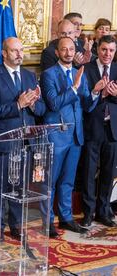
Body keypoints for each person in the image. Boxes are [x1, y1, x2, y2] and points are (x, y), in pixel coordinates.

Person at [0, 37, 46, 241]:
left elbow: (42, 108)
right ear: (4, 53)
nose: (20, 54)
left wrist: (33, 104)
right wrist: (18, 104)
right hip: (2, 142)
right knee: (1, 186)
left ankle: (16, 225)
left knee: (19, 188)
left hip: (25, 142)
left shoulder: (29, 76)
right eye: (14, 51)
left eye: (21, 50)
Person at [40, 37, 103, 236]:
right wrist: (74, 88)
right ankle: (47, 221)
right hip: (56, 136)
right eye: (64, 50)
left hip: (76, 135)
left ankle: (65, 218)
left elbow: (86, 105)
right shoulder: (48, 74)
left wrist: (94, 92)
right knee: (50, 181)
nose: (68, 53)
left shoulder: (79, 72)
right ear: (57, 52)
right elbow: (53, 104)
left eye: (71, 49)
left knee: (67, 181)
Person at [81, 35, 117, 228]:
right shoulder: (86, 70)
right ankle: (88, 212)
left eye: (111, 50)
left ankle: (104, 211)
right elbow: (83, 103)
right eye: (104, 50)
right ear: (97, 49)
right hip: (92, 128)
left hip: (112, 130)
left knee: (108, 172)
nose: (107, 54)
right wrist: (97, 93)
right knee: (88, 172)